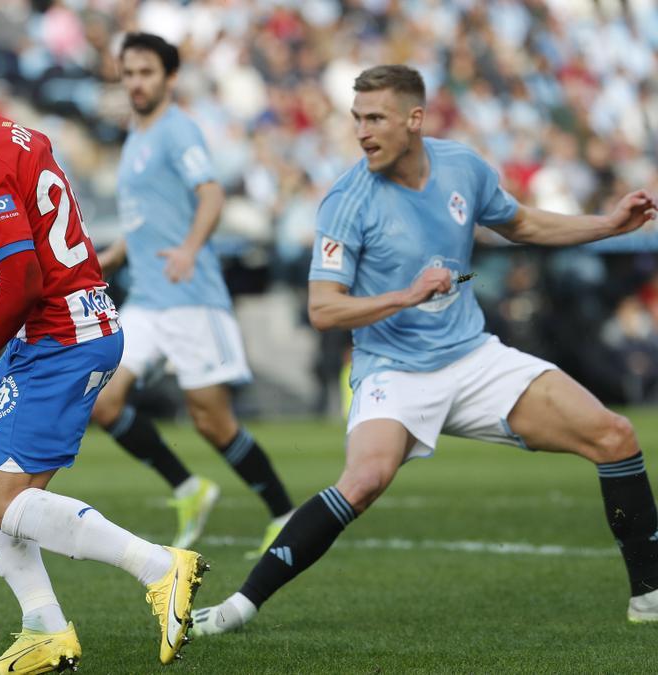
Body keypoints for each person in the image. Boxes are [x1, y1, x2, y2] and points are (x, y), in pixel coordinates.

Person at [191, 65, 658, 636]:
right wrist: (404, 296)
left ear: (414, 119)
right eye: (357, 118)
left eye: (376, 118)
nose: (363, 132)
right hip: (394, 371)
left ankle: (649, 596)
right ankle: (239, 608)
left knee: (615, 436)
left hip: (474, 357)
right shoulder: (347, 200)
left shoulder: (461, 165)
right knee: (363, 480)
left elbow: (525, 223)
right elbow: (323, 309)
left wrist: (609, 225)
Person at [0, 44, 207, 673]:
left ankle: (160, 567)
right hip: (52, 329)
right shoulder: (11, 133)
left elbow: (25, 282)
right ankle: (45, 631)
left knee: (3, 502)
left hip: (60, 333)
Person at [92, 33, 295, 552]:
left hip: (190, 295)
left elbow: (211, 194)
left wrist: (188, 248)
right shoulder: (137, 136)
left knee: (213, 422)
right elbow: (150, 216)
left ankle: (283, 512)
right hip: (150, 299)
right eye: (129, 72)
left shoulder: (176, 130)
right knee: (103, 402)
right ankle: (188, 487)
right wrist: (117, 254)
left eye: (147, 73)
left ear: (170, 78)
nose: (136, 82)